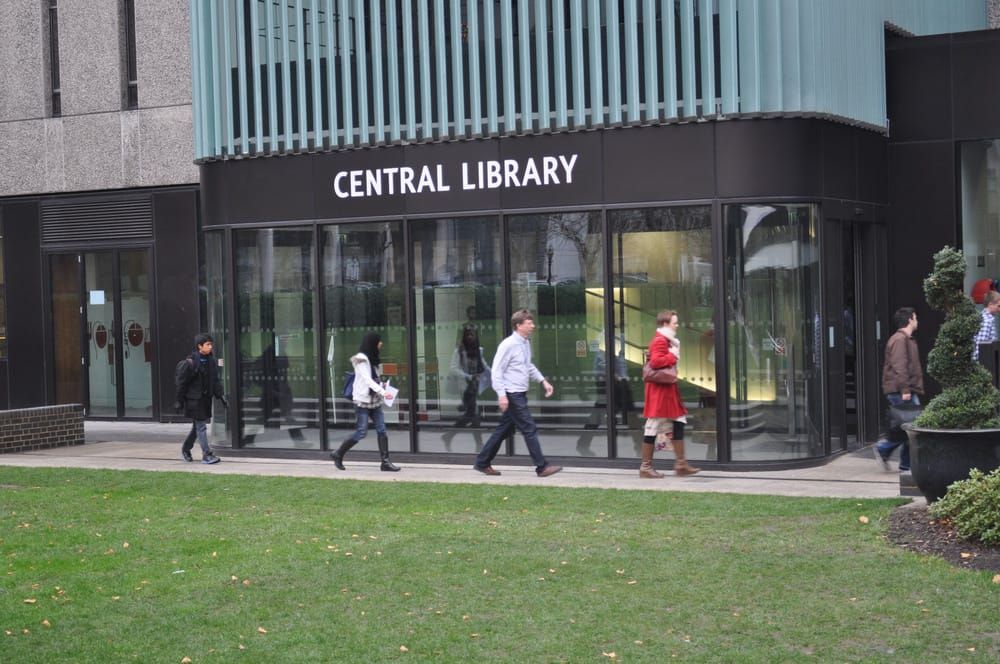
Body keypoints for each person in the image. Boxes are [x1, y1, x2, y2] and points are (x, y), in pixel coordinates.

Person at [473, 309, 562, 477]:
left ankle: (482, 462)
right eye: (529, 323)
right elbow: (497, 371)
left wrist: (543, 381)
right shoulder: (508, 345)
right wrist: (501, 395)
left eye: (532, 322)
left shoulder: (525, 343)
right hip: (512, 394)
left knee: (504, 430)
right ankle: (541, 467)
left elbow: (528, 365)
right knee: (529, 428)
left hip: (519, 393)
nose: (533, 326)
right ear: (518, 325)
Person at [330, 332, 401, 472]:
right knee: (361, 432)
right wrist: (383, 392)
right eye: (379, 341)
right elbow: (367, 380)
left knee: (382, 430)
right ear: (372, 342)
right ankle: (338, 453)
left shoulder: (373, 358)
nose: (381, 344)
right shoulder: (361, 359)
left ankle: (385, 462)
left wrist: (383, 386)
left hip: (374, 401)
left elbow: (375, 379)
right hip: (362, 401)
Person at [641, 310, 700, 478]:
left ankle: (681, 464)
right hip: (660, 392)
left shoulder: (667, 341)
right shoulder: (660, 341)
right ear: (665, 323)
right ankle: (646, 467)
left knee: (679, 420)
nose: (677, 325)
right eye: (675, 322)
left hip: (666, 391)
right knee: (652, 426)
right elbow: (656, 362)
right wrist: (672, 356)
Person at [874, 307, 924, 472]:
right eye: (915, 317)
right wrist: (905, 390)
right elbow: (899, 366)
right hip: (902, 390)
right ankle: (885, 449)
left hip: (905, 389)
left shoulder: (905, 339)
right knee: (911, 428)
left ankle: (904, 464)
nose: (917, 321)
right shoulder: (899, 340)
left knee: (908, 428)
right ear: (909, 320)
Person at [175, 333, 227, 464]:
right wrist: (179, 401)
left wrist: (221, 396)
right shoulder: (189, 363)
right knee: (201, 426)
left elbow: (215, 380)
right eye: (208, 344)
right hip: (194, 401)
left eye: (211, 344)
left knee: (197, 427)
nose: (211, 347)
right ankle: (206, 454)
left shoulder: (211, 361)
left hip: (205, 399)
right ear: (199, 346)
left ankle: (186, 449)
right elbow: (181, 384)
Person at [450, 324, 489, 427]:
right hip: (466, 387)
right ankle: (451, 433)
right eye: (467, 335)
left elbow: (484, 366)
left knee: (472, 415)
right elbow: (453, 369)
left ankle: (449, 435)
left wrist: (495, 375)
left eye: (472, 335)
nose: (470, 337)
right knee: (474, 415)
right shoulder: (459, 352)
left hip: (476, 386)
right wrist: (468, 376)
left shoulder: (478, 351)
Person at [973, 290, 1000, 360]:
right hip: (983, 364)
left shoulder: (985, 318)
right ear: (990, 304)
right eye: (998, 306)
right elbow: (981, 347)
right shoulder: (986, 321)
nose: (999, 309)